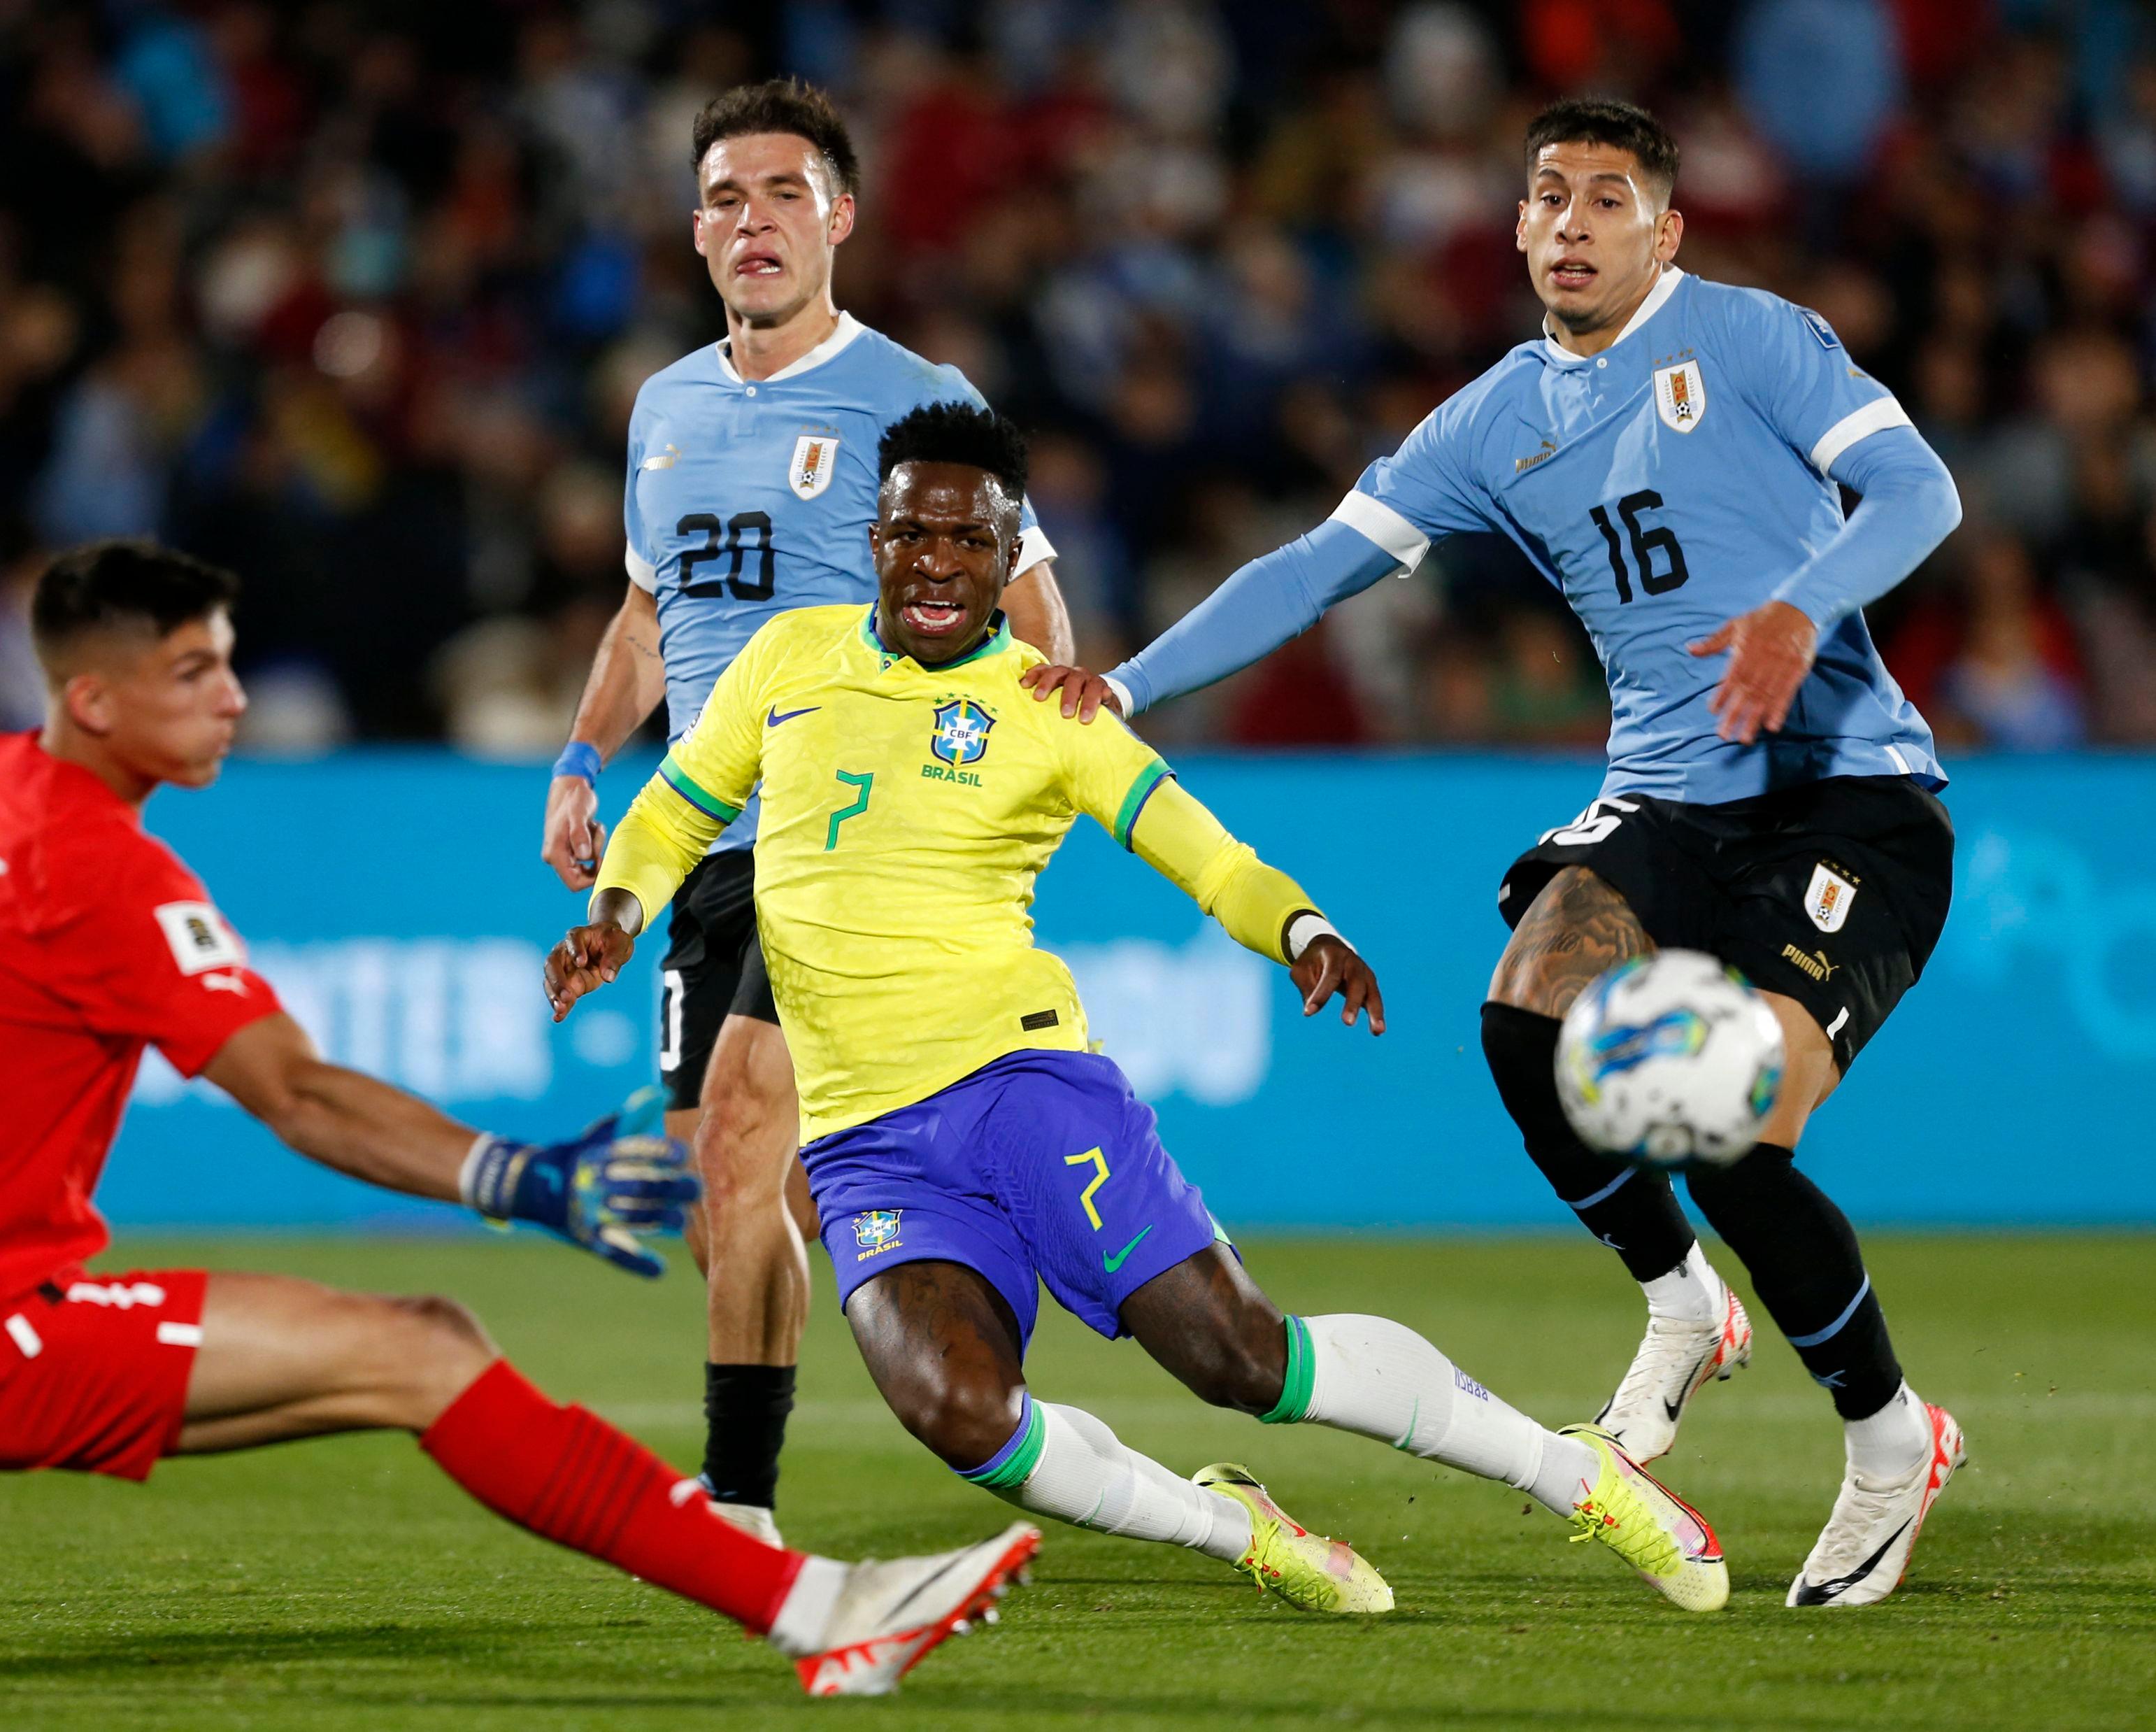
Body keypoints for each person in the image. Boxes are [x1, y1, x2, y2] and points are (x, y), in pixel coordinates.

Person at [0, 540, 1035, 1701]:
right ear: (91, 698)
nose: (233, 698)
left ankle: (818, 1611)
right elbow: (298, 1092)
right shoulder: (103, 870)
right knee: (424, 1347)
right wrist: (509, 1175)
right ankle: (821, 1612)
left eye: (226, 662)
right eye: (191, 676)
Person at [546, 404, 1729, 1619]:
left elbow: (1205, 855)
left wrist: (1303, 929)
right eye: (910, 535)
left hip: (1018, 1087)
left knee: (1243, 1358)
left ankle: (1567, 1471)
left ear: (1010, 562)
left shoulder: (1050, 709)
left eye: (967, 540)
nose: (935, 562)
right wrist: (617, 913)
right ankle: (1238, 1531)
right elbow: (679, 810)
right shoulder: (789, 659)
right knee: (965, 1418)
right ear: (877, 542)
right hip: (864, 1141)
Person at [1028, 98, 1966, 1607]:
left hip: (1846, 793)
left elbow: (1920, 489)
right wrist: (1125, 684)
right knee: (1523, 1012)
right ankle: (1680, 1301)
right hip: (1666, 799)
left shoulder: (1753, 338)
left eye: (1611, 198)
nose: (1578, 221)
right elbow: (1313, 567)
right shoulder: (1491, 419)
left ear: (1666, 229)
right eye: (1552, 196)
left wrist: (1800, 605)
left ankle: (1886, 1436)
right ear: (1518, 226)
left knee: (1731, 1121)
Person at [538, 78, 1074, 1546]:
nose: (753, 220)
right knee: (729, 1194)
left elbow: (1031, 607)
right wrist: (584, 760)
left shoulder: (916, 396)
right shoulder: (662, 407)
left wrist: (1022, 769)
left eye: (784, 193)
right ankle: (1024, 1404)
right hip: (703, 843)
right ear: (694, 231)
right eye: (724, 196)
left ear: (840, 217)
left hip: (856, 833)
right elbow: (648, 616)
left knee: (752, 1135)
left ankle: (738, 1507)